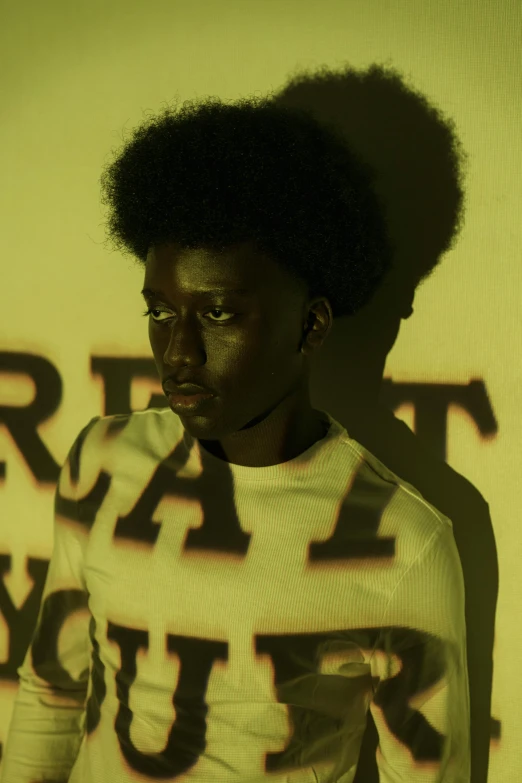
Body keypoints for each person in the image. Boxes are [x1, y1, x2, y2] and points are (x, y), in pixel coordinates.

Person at [1, 92, 469, 782]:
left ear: (310, 326)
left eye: (218, 312)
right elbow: (51, 690)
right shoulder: (101, 461)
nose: (179, 351)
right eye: (160, 311)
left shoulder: (404, 542)